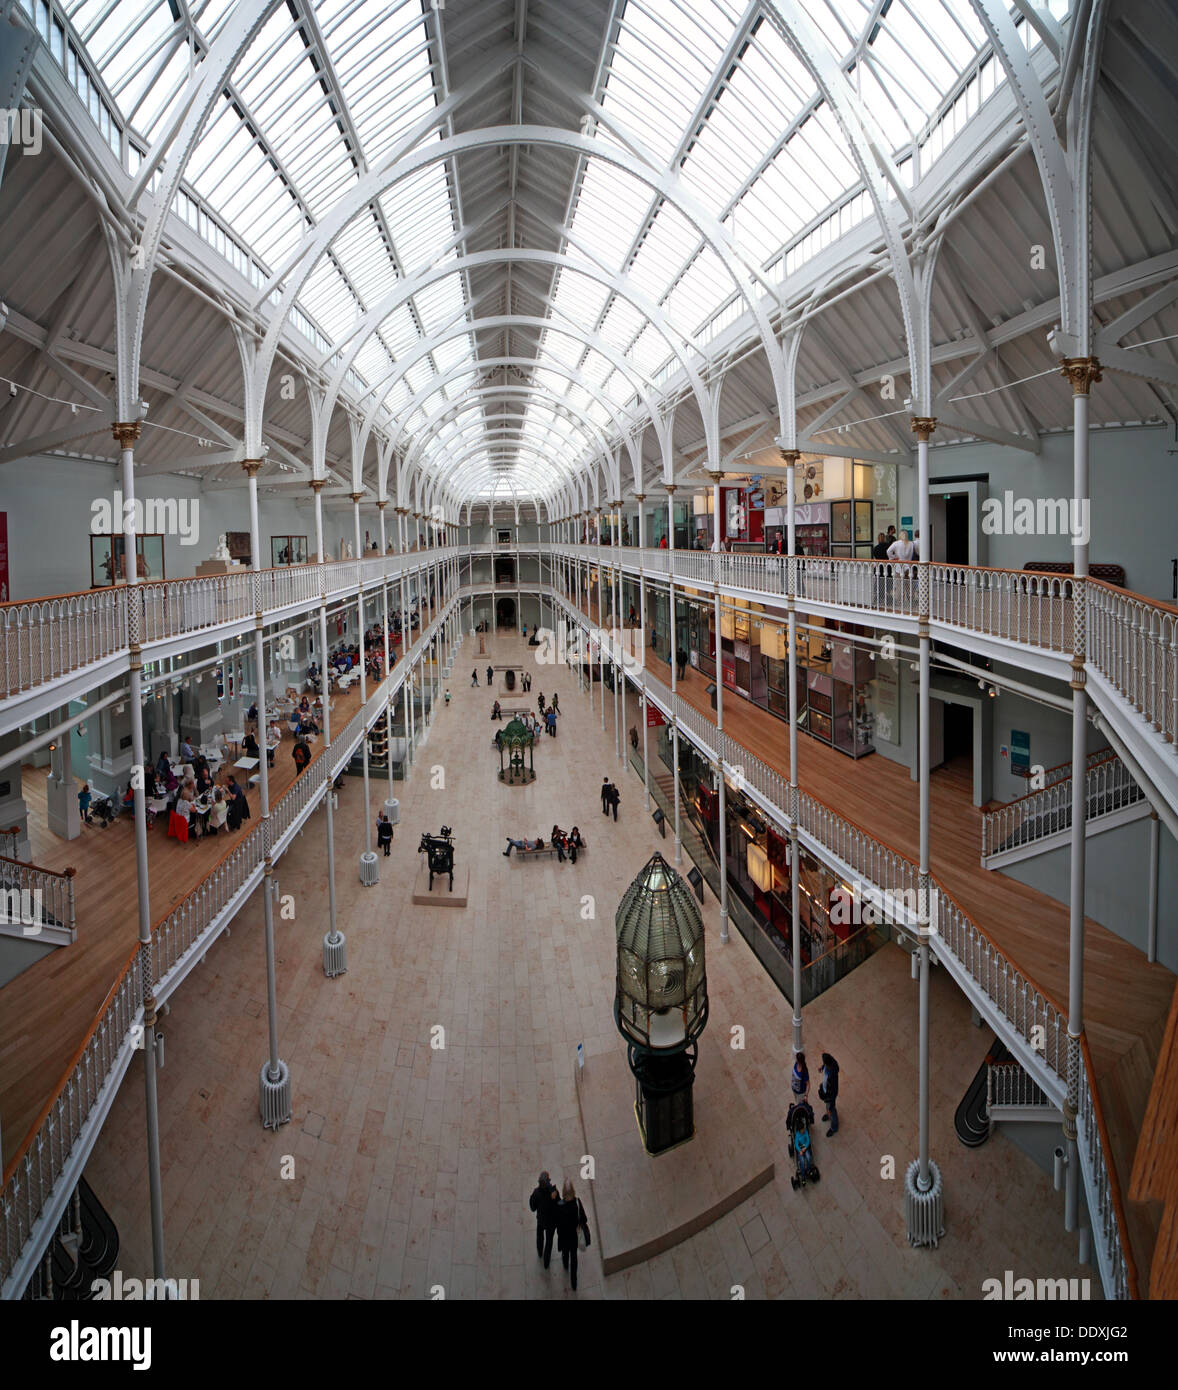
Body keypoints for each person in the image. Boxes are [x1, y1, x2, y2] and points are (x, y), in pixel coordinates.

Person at [556, 1179, 591, 1291]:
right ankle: (574, 1281)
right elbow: (584, 1219)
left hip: (564, 1236)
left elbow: (558, 1223)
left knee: (565, 1252)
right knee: (574, 1257)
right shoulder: (577, 1202)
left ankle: (565, 1264)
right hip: (575, 1236)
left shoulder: (560, 1205)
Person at [529, 1172, 560, 1268]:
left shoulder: (536, 1193)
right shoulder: (554, 1192)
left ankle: (539, 1252)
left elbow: (533, 1208)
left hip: (541, 1221)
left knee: (539, 1236)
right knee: (549, 1242)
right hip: (551, 1222)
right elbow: (559, 1206)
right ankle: (546, 1263)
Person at [819, 1051, 840, 1137]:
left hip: (830, 1095)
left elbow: (834, 1090)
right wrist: (822, 1067)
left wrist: (831, 1101)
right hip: (826, 1091)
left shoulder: (833, 1075)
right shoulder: (830, 1062)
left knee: (832, 1109)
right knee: (827, 1106)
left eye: (824, 1063)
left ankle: (834, 1127)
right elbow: (825, 1064)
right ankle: (828, 1114)